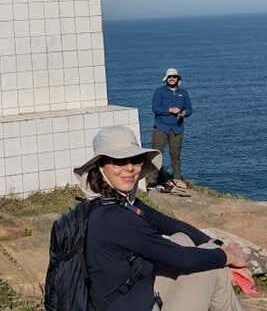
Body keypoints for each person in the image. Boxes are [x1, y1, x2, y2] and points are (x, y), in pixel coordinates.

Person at [75, 126, 245, 311]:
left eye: (135, 160)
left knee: (183, 239)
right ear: (101, 167)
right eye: (119, 162)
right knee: (214, 267)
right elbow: (181, 259)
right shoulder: (115, 218)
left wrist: (219, 244)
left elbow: (170, 225)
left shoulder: (114, 205)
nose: (130, 168)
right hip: (130, 304)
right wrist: (229, 256)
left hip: (134, 296)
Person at [151, 67, 192, 184]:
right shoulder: (159, 92)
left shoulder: (183, 93)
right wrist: (170, 110)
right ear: (166, 79)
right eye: (170, 77)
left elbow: (189, 109)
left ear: (178, 78)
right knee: (156, 154)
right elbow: (155, 109)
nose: (172, 79)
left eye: (174, 77)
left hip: (177, 129)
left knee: (176, 155)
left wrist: (184, 113)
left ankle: (177, 179)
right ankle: (152, 181)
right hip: (161, 127)